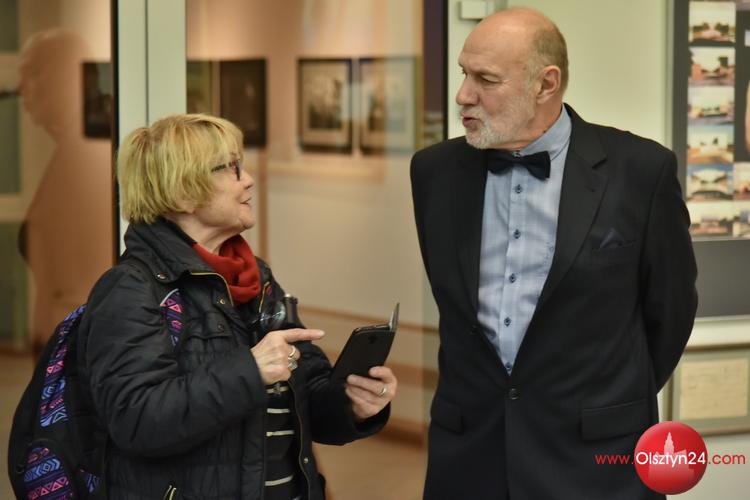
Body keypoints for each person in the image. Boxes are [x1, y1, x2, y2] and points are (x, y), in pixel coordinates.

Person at [410, 8, 697, 500]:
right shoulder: (433, 172)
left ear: (546, 84)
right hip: (470, 456)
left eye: (486, 80)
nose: (463, 95)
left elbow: (669, 313)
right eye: (464, 73)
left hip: (597, 463)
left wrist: (603, 398)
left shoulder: (640, 171)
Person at [77, 113, 397, 499]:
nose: (247, 180)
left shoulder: (255, 277)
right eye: (230, 169)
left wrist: (353, 405)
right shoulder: (130, 289)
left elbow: (306, 399)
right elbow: (136, 420)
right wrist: (250, 370)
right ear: (182, 192)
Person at [17, 29, 112, 357]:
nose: (22, 89)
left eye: (32, 73)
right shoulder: (74, 148)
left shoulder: (91, 154)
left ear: (68, 74)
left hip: (79, 352)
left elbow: (84, 277)